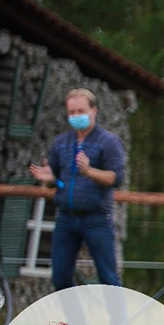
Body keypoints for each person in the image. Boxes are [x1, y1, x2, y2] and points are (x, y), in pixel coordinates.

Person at [29, 88, 125, 290]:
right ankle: (76, 321)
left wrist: (89, 171)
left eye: (81, 111)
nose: (76, 116)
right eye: (72, 112)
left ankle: (118, 321)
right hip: (65, 218)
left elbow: (116, 178)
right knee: (60, 277)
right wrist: (47, 179)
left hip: (96, 218)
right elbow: (55, 180)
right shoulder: (61, 143)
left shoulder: (109, 142)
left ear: (94, 111)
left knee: (108, 278)